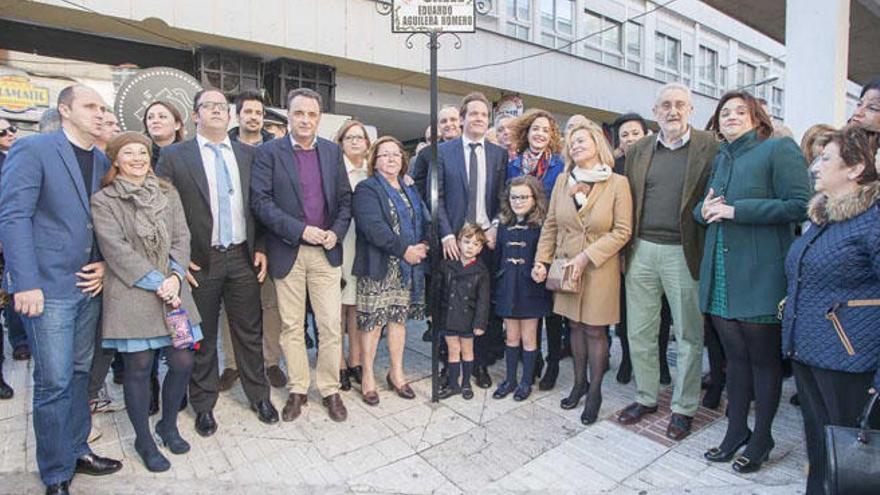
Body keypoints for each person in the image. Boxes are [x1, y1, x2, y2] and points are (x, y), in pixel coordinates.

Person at [0, 84, 122, 495]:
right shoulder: (35, 150)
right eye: (90, 106)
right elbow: (14, 217)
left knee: (80, 373)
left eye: (102, 107)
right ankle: (55, 472)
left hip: (89, 285)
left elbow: (105, 222)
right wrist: (25, 282)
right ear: (65, 110)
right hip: (47, 288)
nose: (99, 113)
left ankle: (77, 448)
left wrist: (105, 263)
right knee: (53, 382)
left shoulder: (102, 159)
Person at [696, 91, 811, 472]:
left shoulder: (778, 149)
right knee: (734, 360)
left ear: (757, 116)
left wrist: (736, 210)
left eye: (739, 111)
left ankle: (762, 438)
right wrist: (705, 210)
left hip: (760, 274)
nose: (730, 116)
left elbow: (799, 204)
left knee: (763, 362)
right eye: (724, 112)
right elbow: (705, 208)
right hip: (722, 273)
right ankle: (735, 431)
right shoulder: (722, 157)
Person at [157, 88, 278, 437]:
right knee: (203, 336)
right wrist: (177, 262)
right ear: (195, 116)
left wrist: (263, 247)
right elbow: (162, 214)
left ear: (230, 116)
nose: (215, 111)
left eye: (221, 107)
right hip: (199, 262)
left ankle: (259, 397)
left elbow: (260, 206)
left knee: (249, 333)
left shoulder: (248, 155)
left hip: (242, 256)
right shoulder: (175, 156)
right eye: (207, 106)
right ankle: (204, 405)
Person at [91, 132, 203, 472]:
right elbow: (116, 250)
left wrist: (174, 275)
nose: (138, 158)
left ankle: (167, 424)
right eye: (129, 152)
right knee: (138, 368)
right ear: (116, 159)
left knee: (183, 361)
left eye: (143, 152)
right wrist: (159, 282)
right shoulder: (105, 200)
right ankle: (143, 438)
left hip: (173, 292)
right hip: (132, 293)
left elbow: (183, 236)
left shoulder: (168, 194)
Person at [617, 83, 718, 441]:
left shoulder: (710, 146)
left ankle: (684, 407)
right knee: (640, 330)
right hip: (642, 248)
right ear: (655, 111)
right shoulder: (639, 149)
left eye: (679, 105)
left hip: (684, 250)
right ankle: (646, 397)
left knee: (689, 334)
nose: (672, 111)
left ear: (691, 109)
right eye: (665, 105)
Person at [783, 127, 880, 495]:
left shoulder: (872, 221)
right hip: (809, 351)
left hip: (851, 363)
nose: (815, 166)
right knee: (821, 452)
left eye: (826, 159)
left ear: (855, 168)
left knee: (852, 463)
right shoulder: (825, 217)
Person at [251, 87, 352, 423]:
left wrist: (335, 233)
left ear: (319, 118)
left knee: (329, 326)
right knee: (292, 326)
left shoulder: (331, 152)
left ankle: (329, 389)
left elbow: (344, 200)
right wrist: (299, 230)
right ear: (289, 115)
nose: (305, 120)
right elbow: (261, 203)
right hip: (288, 250)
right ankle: (297, 389)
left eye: (311, 114)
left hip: (325, 253)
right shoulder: (269, 153)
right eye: (299, 113)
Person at [535, 122, 633, 424]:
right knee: (574, 326)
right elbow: (551, 224)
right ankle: (579, 383)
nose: (576, 145)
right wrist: (542, 260)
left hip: (599, 269)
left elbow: (622, 231)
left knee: (595, 330)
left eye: (582, 140)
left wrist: (586, 258)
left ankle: (595, 391)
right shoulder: (564, 180)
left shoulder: (617, 183)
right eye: (572, 142)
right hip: (565, 266)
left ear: (598, 145)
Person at [434, 92, 508, 389]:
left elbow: (503, 197)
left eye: (483, 115)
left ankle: (478, 364)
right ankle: (448, 364)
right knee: (448, 304)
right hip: (453, 241)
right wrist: (447, 233)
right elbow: (435, 199)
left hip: (485, 242)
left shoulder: (498, 154)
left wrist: (496, 226)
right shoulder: (444, 152)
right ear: (462, 118)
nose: (479, 118)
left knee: (482, 304)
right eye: (473, 113)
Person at [352, 136, 430, 405]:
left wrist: (424, 244)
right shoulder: (367, 188)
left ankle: (396, 373)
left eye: (396, 154)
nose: (391, 159)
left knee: (398, 322)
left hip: (407, 270)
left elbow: (424, 219)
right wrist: (405, 250)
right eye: (385, 155)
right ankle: (368, 377)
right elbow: (373, 228)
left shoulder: (409, 190)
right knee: (373, 325)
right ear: (375, 160)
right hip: (379, 267)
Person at [218, 89, 285, 392]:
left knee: (271, 306)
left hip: (271, 241)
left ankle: (270, 362)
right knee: (229, 308)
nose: (254, 117)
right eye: (249, 112)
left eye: (259, 113)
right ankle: (232, 364)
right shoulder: (224, 148)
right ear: (238, 115)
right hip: (232, 241)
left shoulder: (278, 149)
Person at [609, 113, 673, 387]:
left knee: (660, 310)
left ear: (647, 134)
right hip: (625, 249)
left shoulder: (662, 162)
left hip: (659, 245)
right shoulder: (614, 167)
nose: (630, 138)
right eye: (624, 135)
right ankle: (627, 359)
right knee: (625, 310)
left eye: (635, 132)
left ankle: (659, 360)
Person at [505, 109, 566, 390]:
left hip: (549, 240)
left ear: (551, 135)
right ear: (526, 133)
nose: (540, 134)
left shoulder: (559, 165)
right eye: (535, 129)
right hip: (521, 239)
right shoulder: (514, 164)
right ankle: (533, 360)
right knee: (526, 305)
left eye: (545, 129)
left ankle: (552, 362)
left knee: (550, 309)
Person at [492, 175, 552, 401]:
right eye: (514, 197)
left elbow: (546, 254)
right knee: (511, 337)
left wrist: (542, 267)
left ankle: (526, 381)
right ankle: (510, 380)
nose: (518, 201)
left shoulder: (541, 226)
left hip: (531, 289)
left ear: (535, 199)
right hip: (508, 287)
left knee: (529, 338)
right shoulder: (503, 225)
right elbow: (497, 257)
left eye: (523, 197)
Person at [435, 224, 491, 400]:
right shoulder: (447, 265)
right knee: (453, 350)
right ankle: (453, 384)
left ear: (481, 248)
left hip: (468, 318)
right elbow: (436, 290)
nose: (470, 247)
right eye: (467, 242)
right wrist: (433, 312)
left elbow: (484, 300)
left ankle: (466, 383)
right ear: (458, 242)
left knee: (467, 350)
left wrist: (480, 323)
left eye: (476, 244)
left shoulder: (481, 271)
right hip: (450, 317)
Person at [337, 120, 371, 391]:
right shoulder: (333, 170)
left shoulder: (373, 173)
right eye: (350, 137)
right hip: (339, 243)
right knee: (336, 308)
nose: (355, 141)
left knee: (359, 307)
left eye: (360, 137)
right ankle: (337, 364)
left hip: (365, 246)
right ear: (341, 142)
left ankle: (355, 360)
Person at [410, 105, 463, 201]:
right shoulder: (426, 154)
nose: (448, 124)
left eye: (453, 119)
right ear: (438, 126)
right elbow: (419, 191)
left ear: (461, 121)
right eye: (444, 121)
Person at [143, 100, 185, 167]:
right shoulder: (141, 156)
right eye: (150, 117)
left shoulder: (189, 154)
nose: (155, 121)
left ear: (177, 125)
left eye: (162, 117)